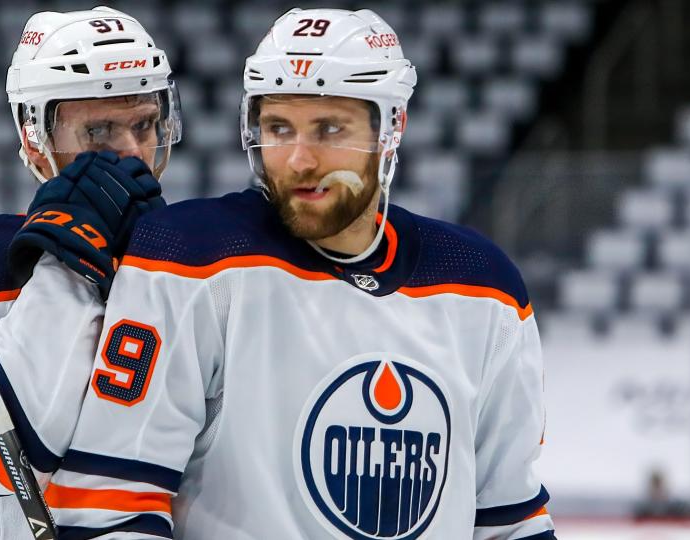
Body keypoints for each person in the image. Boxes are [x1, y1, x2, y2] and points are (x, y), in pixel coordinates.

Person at [50, 8, 556, 539]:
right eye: (278, 128)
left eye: (329, 129)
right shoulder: (189, 260)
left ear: (392, 127)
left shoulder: (484, 288)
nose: (298, 160)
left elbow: (509, 520)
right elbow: (107, 505)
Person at [0, 8, 181, 538]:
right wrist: (67, 266)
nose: (129, 152)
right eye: (98, 130)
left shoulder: (189, 266)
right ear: (35, 139)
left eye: (143, 125)